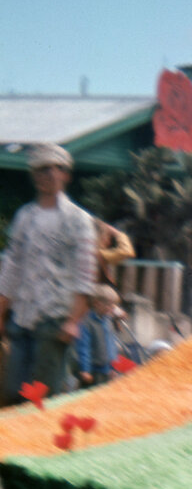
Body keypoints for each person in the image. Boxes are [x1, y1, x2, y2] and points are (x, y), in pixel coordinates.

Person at [0, 143, 97, 403]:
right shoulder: (24, 216)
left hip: (55, 319)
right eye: (42, 169)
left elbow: (85, 275)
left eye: (56, 168)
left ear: (66, 174)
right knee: (12, 393)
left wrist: (73, 321)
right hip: (22, 317)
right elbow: (12, 266)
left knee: (41, 397)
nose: (49, 174)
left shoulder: (78, 219)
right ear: (34, 175)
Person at [73, 284, 123, 387]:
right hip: (93, 371)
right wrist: (85, 370)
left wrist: (114, 367)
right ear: (97, 304)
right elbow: (84, 348)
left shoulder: (108, 321)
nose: (112, 309)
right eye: (109, 305)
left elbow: (111, 345)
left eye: (113, 306)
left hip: (107, 370)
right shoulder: (87, 322)